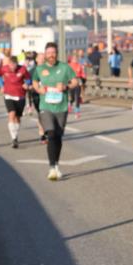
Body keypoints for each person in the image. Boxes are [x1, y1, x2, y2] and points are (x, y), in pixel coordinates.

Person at [32, 42, 78, 180]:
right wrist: (39, 89)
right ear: (45, 55)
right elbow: (34, 81)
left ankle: (56, 164)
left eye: (53, 52)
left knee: (58, 136)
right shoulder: (39, 69)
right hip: (45, 106)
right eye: (48, 53)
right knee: (51, 133)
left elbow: (75, 81)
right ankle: (52, 168)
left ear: (56, 54)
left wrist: (66, 86)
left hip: (61, 107)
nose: (51, 55)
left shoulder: (64, 67)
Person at [0, 54, 31, 148]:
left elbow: (29, 79)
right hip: (8, 95)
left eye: (14, 65)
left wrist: (27, 84)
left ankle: (15, 135)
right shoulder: (4, 68)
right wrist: (1, 85)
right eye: (10, 65)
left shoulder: (23, 69)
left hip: (20, 96)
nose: (12, 68)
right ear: (8, 64)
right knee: (11, 114)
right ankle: (14, 139)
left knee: (17, 118)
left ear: (17, 64)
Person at [68, 52, 86, 119]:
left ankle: (77, 112)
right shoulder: (69, 65)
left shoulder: (79, 65)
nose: (75, 59)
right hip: (71, 82)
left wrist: (83, 76)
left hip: (77, 82)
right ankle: (70, 104)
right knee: (72, 98)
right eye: (74, 58)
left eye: (76, 58)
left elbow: (82, 73)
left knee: (77, 97)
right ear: (72, 59)